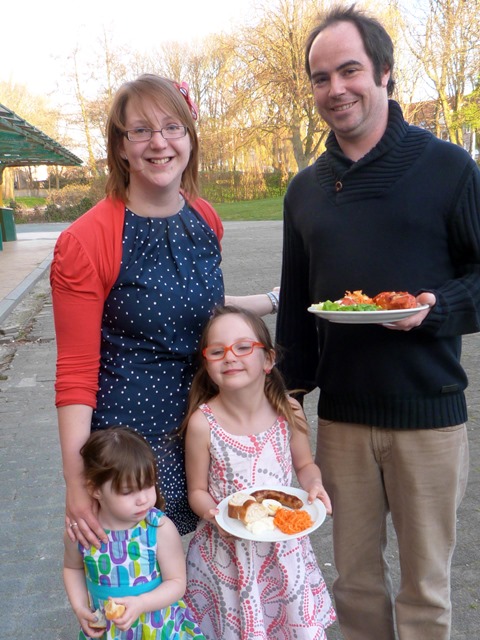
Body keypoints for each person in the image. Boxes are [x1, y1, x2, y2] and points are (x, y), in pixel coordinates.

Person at [275, 4, 480, 640]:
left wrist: (436, 307)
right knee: (354, 585)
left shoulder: (449, 168)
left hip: (429, 415)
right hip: (342, 422)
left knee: (425, 591)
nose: (335, 89)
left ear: (384, 73)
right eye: (321, 77)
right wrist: (286, 403)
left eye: (349, 70)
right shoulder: (304, 191)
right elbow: (299, 308)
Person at [50, 74, 279, 548]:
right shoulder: (86, 241)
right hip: (133, 452)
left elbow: (202, 308)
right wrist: (76, 482)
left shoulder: (204, 218)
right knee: (144, 582)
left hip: (209, 431)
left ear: (189, 139)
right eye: (141, 130)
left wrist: (277, 299)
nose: (159, 142)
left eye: (172, 127)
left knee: (214, 576)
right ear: (120, 146)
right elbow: (75, 371)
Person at [182, 304, 336, 639]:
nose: (230, 357)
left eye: (242, 347)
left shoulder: (288, 410)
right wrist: (214, 515)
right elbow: (197, 490)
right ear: (207, 365)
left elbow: (304, 465)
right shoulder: (202, 423)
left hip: (284, 548)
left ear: (268, 359)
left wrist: (315, 484)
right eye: (217, 351)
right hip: (226, 554)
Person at [63, 427, 206, 640]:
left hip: (157, 629)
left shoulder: (158, 528)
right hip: (108, 632)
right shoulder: (84, 531)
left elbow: (176, 582)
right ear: (95, 489)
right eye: (127, 491)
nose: (143, 499)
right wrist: (79, 607)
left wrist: (141, 603)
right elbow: (72, 568)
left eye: (148, 486)